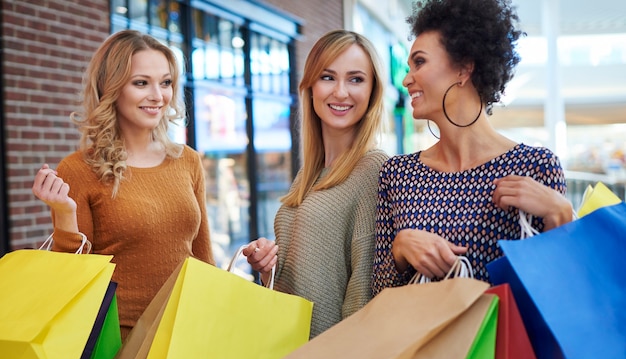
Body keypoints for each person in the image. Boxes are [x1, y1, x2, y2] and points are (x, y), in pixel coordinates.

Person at [371, 0, 574, 293]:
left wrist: (560, 215)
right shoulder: (398, 174)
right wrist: (400, 250)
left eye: (419, 62)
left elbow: (559, 292)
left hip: (504, 338)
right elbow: (379, 297)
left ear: (464, 68)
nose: (406, 79)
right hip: (427, 338)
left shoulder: (536, 166)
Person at [32, 30, 215, 340]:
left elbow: (203, 255)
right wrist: (64, 214)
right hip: (119, 342)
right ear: (112, 88)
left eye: (166, 82)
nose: (158, 96)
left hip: (186, 332)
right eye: (141, 83)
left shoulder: (188, 160)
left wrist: (213, 316)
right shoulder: (78, 169)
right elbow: (72, 278)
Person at [242, 30, 389, 339]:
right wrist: (269, 265)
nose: (340, 92)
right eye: (327, 77)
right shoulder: (308, 175)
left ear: (373, 91)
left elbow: (363, 294)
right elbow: (314, 275)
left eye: (356, 79)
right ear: (309, 87)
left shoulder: (374, 168)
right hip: (288, 353)